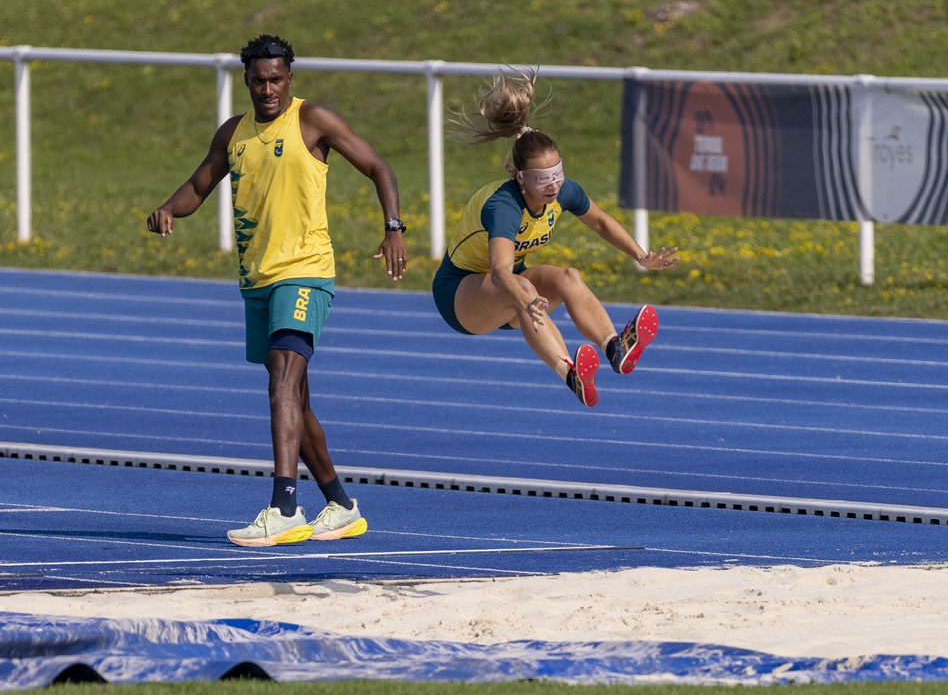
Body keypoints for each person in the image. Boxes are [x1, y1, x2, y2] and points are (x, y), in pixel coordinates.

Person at [147, 34, 407, 547]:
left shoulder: (313, 121)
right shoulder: (234, 134)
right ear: (247, 81)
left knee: (282, 384)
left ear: (291, 79)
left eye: (276, 80)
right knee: (296, 399)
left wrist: (394, 226)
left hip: (305, 271)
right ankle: (340, 504)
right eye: (258, 81)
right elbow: (199, 186)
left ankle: (284, 505)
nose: (267, 89)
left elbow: (380, 167)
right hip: (258, 279)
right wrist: (167, 210)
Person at [433, 69, 679, 407]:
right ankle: (569, 372)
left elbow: (602, 223)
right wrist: (526, 301)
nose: (553, 185)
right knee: (523, 286)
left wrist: (641, 256)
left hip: (508, 288)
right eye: (542, 178)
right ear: (520, 178)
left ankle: (615, 347)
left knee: (568, 277)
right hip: (459, 295)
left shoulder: (562, 192)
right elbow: (502, 271)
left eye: (558, 174)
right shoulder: (504, 207)